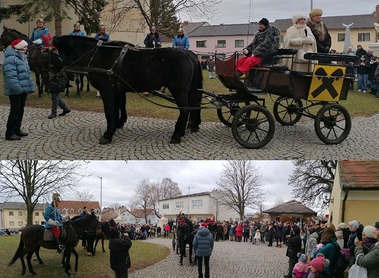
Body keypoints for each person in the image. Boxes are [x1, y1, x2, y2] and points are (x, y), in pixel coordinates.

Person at [3, 39, 35, 141]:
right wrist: (18, 89)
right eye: (25, 47)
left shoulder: (23, 58)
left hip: (23, 89)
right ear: (19, 47)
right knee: (15, 110)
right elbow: (11, 77)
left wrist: (30, 87)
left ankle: (17, 129)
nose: (26, 48)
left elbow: (27, 74)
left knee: (20, 110)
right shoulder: (10, 59)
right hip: (15, 90)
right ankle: (10, 132)